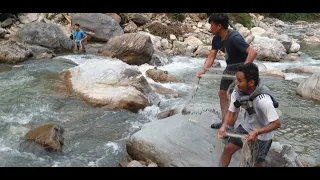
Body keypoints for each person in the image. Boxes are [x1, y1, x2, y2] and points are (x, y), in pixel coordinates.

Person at [196, 13, 257, 129]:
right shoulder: (216, 39)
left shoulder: (234, 38)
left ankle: (230, 125)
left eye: (212, 25)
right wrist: (203, 71)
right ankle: (225, 121)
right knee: (222, 93)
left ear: (219, 26)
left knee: (236, 97)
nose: (210, 28)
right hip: (230, 68)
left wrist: (244, 71)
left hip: (241, 68)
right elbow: (211, 57)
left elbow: (252, 52)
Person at [217, 62, 281, 167]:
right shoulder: (237, 92)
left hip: (263, 135)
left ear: (251, 83)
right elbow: (231, 111)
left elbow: (277, 123)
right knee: (228, 148)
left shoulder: (263, 100)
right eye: (236, 79)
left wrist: (256, 133)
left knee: (257, 163)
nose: (236, 83)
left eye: (240, 81)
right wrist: (224, 127)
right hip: (247, 127)